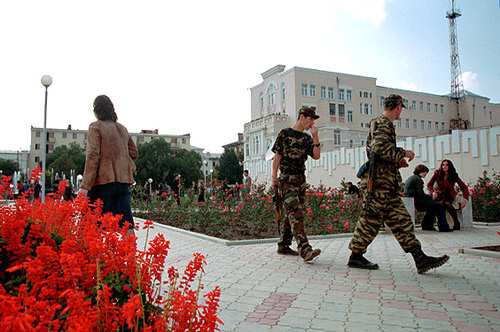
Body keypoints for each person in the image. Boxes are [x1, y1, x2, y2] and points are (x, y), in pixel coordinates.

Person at [348, 94, 449, 274]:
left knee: (401, 221)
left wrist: (396, 162)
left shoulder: (379, 122)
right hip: (378, 185)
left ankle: (420, 258)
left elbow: (377, 153)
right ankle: (356, 256)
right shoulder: (384, 123)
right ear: (398, 106)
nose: (401, 110)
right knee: (370, 221)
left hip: (385, 186)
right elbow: (379, 149)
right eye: (402, 107)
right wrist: (404, 153)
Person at [79, 95, 139, 237]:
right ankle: (131, 256)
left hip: (102, 183)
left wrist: (85, 186)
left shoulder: (95, 127)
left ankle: (87, 256)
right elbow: (134, 153)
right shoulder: (122, 129)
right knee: (126, 223)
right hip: (123, 183)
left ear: (96, 111)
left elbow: (93, 157)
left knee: (90, 223)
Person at [271, 106, 322, 262]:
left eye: (313, 120)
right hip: (287, 179)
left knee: (291, 213)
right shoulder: (285, 134)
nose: (312, 122)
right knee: (296, 213)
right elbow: (277, 157)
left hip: (300, 180)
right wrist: (274, 178)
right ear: (302, 117)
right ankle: (305, 249)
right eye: (310, 119)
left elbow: (316, 156)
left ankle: (283, 245)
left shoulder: (306, 138)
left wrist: (315, 138)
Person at [403, 164, 451, 232]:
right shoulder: (418, 180)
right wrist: (431, 197)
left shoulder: (412, 178)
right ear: (422, 172)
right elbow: (421, 194)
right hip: (417, 201)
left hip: (412, 200)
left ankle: (427, 225)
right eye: (425, 172)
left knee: (433, 206)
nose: (426, 174)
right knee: (437, 205)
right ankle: (443, 226)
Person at [427, 159, 469, 230]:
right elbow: (429, 185)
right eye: (443, 165)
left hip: (448, 195)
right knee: (440, 204)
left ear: (450, 166)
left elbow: (464, 187)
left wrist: (465, 199)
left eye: (447, 165)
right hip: (439, 194)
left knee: (446, 203)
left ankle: (454, 222)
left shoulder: (454, 175)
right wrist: (433, 192)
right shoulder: (437, 173)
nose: (445, 166)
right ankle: (445, 225)